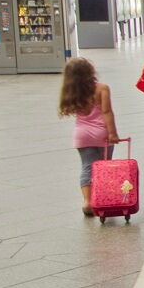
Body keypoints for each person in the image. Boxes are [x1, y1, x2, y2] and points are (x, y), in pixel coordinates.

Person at [58, 58, 120, 217]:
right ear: (90, 71)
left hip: (81, 135)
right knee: (104, 167)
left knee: (87, 166)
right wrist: (112, 133)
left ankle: (87, 201)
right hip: (101, 134)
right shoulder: (102, 89)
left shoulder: (73, 92)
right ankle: (103, 198)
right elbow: (106, 112)